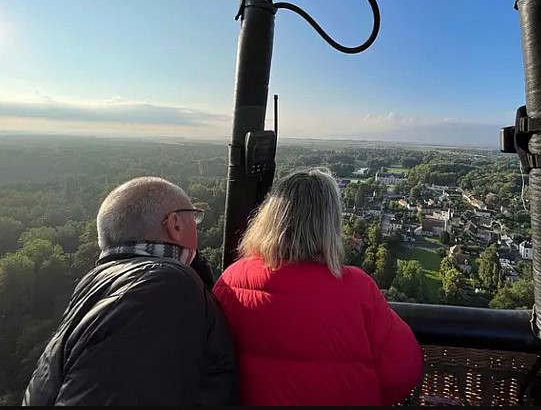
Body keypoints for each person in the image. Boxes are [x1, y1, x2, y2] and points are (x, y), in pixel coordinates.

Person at [213, 168, 423, 406]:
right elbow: (402, 372)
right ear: (330, 224)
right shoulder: (358, 289)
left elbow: (207, 365)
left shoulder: (232, 280)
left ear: (268, 219)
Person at [23, 177, 238, 406]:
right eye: (194, 218)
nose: (197, 226)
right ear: (175, 224)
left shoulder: (97, 282)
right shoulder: (162, 288)